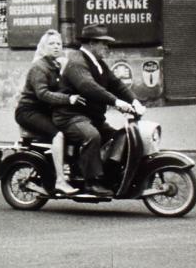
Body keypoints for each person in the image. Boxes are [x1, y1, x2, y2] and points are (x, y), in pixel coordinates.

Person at [53, 24, 144, 196]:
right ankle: (91, 182)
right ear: (91, 43)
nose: (107, 47)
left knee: (121, 135)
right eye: (103, 43)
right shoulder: (76, 61)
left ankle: (108, 173)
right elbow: (88, 87)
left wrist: (135, 101)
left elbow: (116, 84)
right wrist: (116, 102)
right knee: (91, 136)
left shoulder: (98, 63)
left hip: (92, 117)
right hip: (71, 116)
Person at [14, 29, 83, 195]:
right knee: (58, 134)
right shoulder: (39, 67)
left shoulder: (56, 66)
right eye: (51, 44)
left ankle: (73, 170)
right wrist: (69, 99)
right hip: (28, 111)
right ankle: (60, 180)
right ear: (43, 47)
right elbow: (43, 94)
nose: (56, 47)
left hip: (45, 111)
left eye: (59, 43)